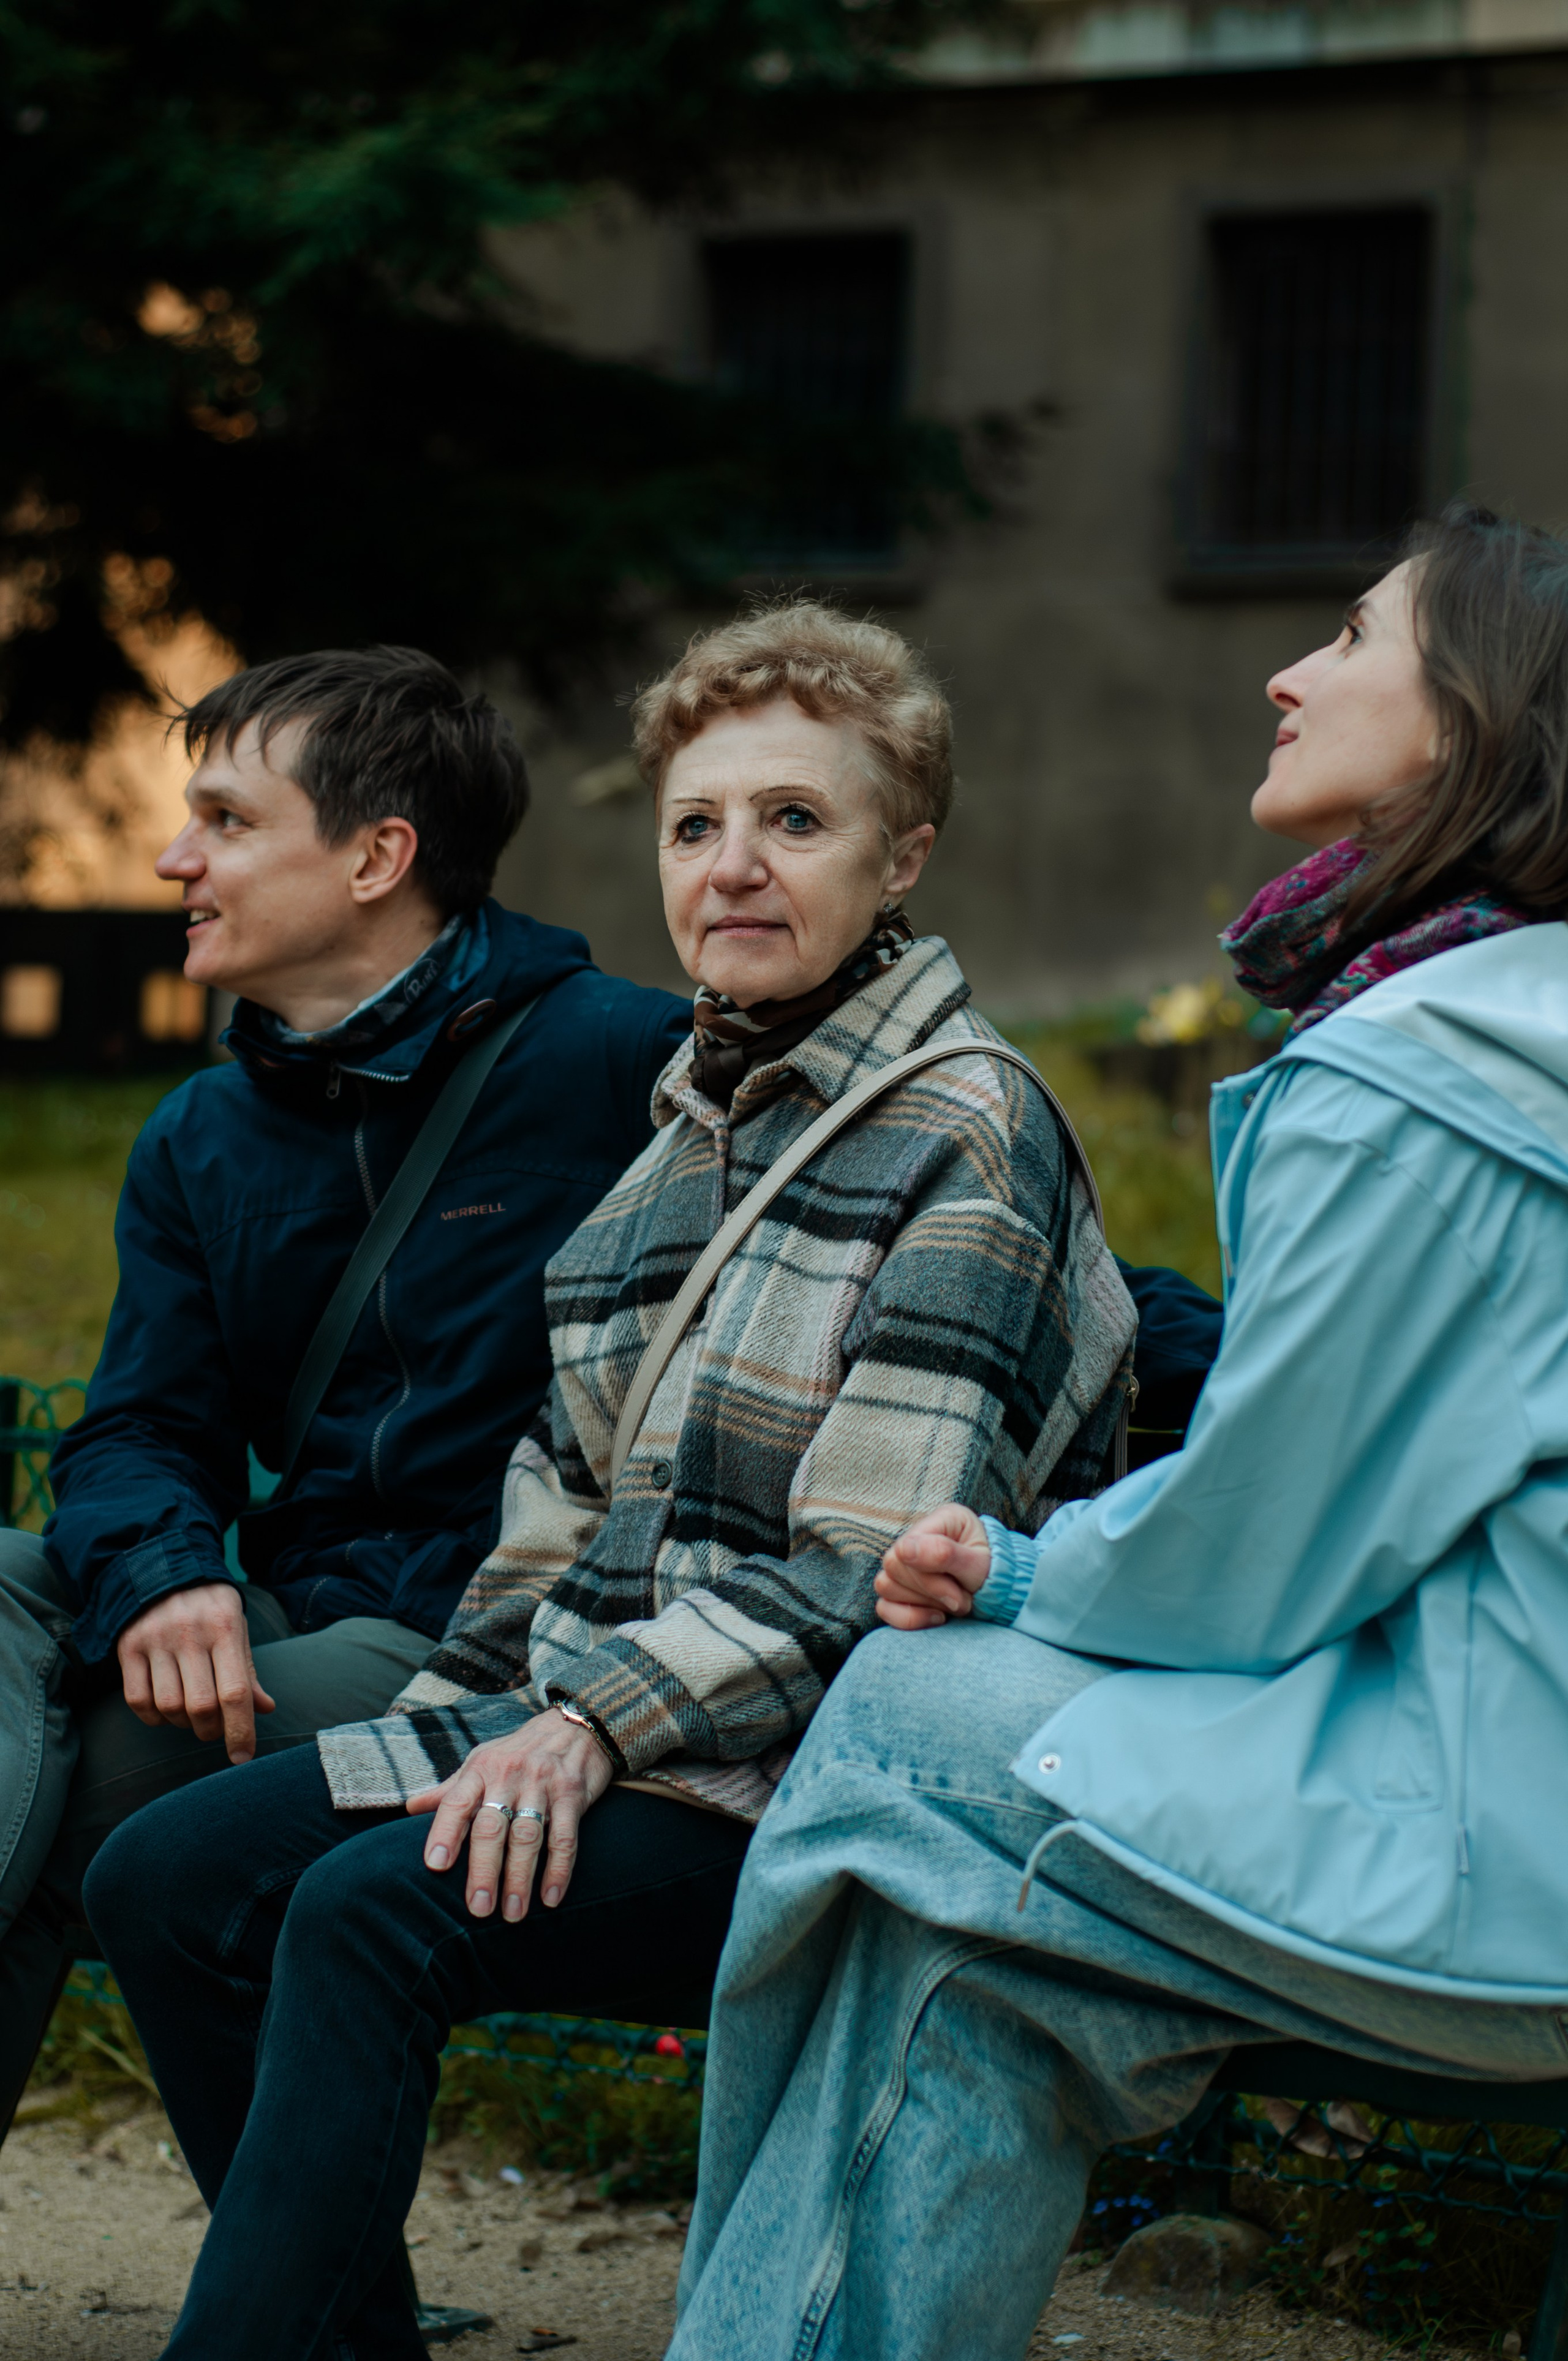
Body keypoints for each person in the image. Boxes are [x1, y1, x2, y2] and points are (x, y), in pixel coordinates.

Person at [85, 598, 1141, 2361]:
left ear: (905, 862)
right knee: (167, 1879)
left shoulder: (964, 1128)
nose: (734, 868)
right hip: (611, 1724)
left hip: (815, 1781)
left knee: (366, 1915)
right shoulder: (677, 1141)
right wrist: (461, 1719)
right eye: (696, 825)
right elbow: (559, 1516)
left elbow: (876, 1572)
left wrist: (578, 1731)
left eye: (796, 822)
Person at [661, 503, 1568, 2361]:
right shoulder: (1510, 1024)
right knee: (979, 1979)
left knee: (904, 1726)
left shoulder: (1426, 1081)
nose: (1287, 670)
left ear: (1478, 713)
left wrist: (1010, 1561)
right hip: (1490, 1750)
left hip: (1510, 1845)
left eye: (1352, 636)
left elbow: (1257, 1553)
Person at [0, 644, 690, 2131]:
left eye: (229, 822)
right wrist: (169, 1575)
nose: (177, 857)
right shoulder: (203, 1130)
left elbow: (955, 1216)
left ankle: (300, 2294)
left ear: (379, 856)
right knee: (1, 1580)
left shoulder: (627, 1063)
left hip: (474, 1636)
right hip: (282, 1597)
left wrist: (1238, 1351)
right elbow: (137, 1428)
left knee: (96, 1777)